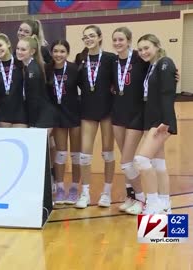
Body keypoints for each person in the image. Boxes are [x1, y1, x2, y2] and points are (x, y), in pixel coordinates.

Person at [134, 34, 177, 214]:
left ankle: (152, 202)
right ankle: (165, 202)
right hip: (152, 120)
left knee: (141, 160)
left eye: (147, 48)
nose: (144, 52)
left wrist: (166, 121)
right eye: (141, 49)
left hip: (161, 122)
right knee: (158, 164)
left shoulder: (165, 62)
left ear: (157, 46)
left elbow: (167, 93)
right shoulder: (152, 66)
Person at [75, 25, 116, 209]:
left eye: (92, 36)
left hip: (107, 111)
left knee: (108, 153)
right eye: (85, 37)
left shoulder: (110, 58)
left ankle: (106, 193)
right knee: (84, 155)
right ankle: (85, 193)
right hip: (87, 110)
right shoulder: (80, 58)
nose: (88, 39)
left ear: (100, 37)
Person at [111, 27, 147, 215]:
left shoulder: (139, 58)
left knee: (126, 162)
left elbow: (155, 71)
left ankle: (142, 199)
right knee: (128, 160)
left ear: (129, 40)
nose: (117, 43)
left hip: (135, 114)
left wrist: (173, 76)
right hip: (118, 115)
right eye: (115, 40)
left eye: (121, 40)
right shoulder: (112, 61)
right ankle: (130, 196)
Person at [45, 40, 81, 204]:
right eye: (56, 51)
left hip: (74, 114)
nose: (58, 54)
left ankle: (74, 188)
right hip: (57, 116)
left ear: (67, 53)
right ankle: (59, 188)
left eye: (62, 51)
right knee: (60, 154)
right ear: (52, 52)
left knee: (76, 155)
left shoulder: (74, 69)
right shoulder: (47, 69)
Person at [15, 35, 57, 129]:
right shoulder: (28, 66)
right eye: (17, 48)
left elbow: (34, 98)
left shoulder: (33, 70)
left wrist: (33, 123)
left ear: (32, 51)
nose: (19, 52)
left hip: (42, 117)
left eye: (23, 49)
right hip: (39, 116)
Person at [0, 33, 27, 128]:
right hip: (2, 112)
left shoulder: (20, 63)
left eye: (0, 45)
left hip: (20, 111)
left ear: (8, 44)